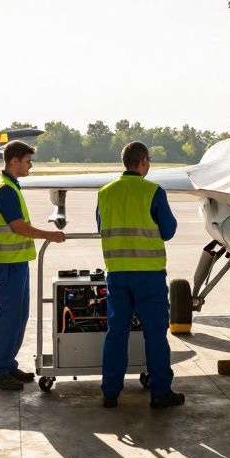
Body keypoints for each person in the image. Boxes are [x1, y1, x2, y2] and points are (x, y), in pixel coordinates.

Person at [96, 141, 182, 409]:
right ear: (143, 161)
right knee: (155, 335)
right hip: (148, 276)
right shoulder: (153, 191)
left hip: (117, 274)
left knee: (116, 333)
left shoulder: (105, 193)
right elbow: (167, 231)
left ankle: (110, 392)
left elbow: (101, 227)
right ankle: (160, 392)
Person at [0, 140, 65, 391]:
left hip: (17, 262)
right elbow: (18, 227)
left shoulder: (11, 186)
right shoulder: (4, 190)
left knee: (19, 317)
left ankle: (8, 365)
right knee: (8, 317)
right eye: (28, 161)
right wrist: (49, 235)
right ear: (14, 161)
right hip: (8, 264)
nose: (31, 166)